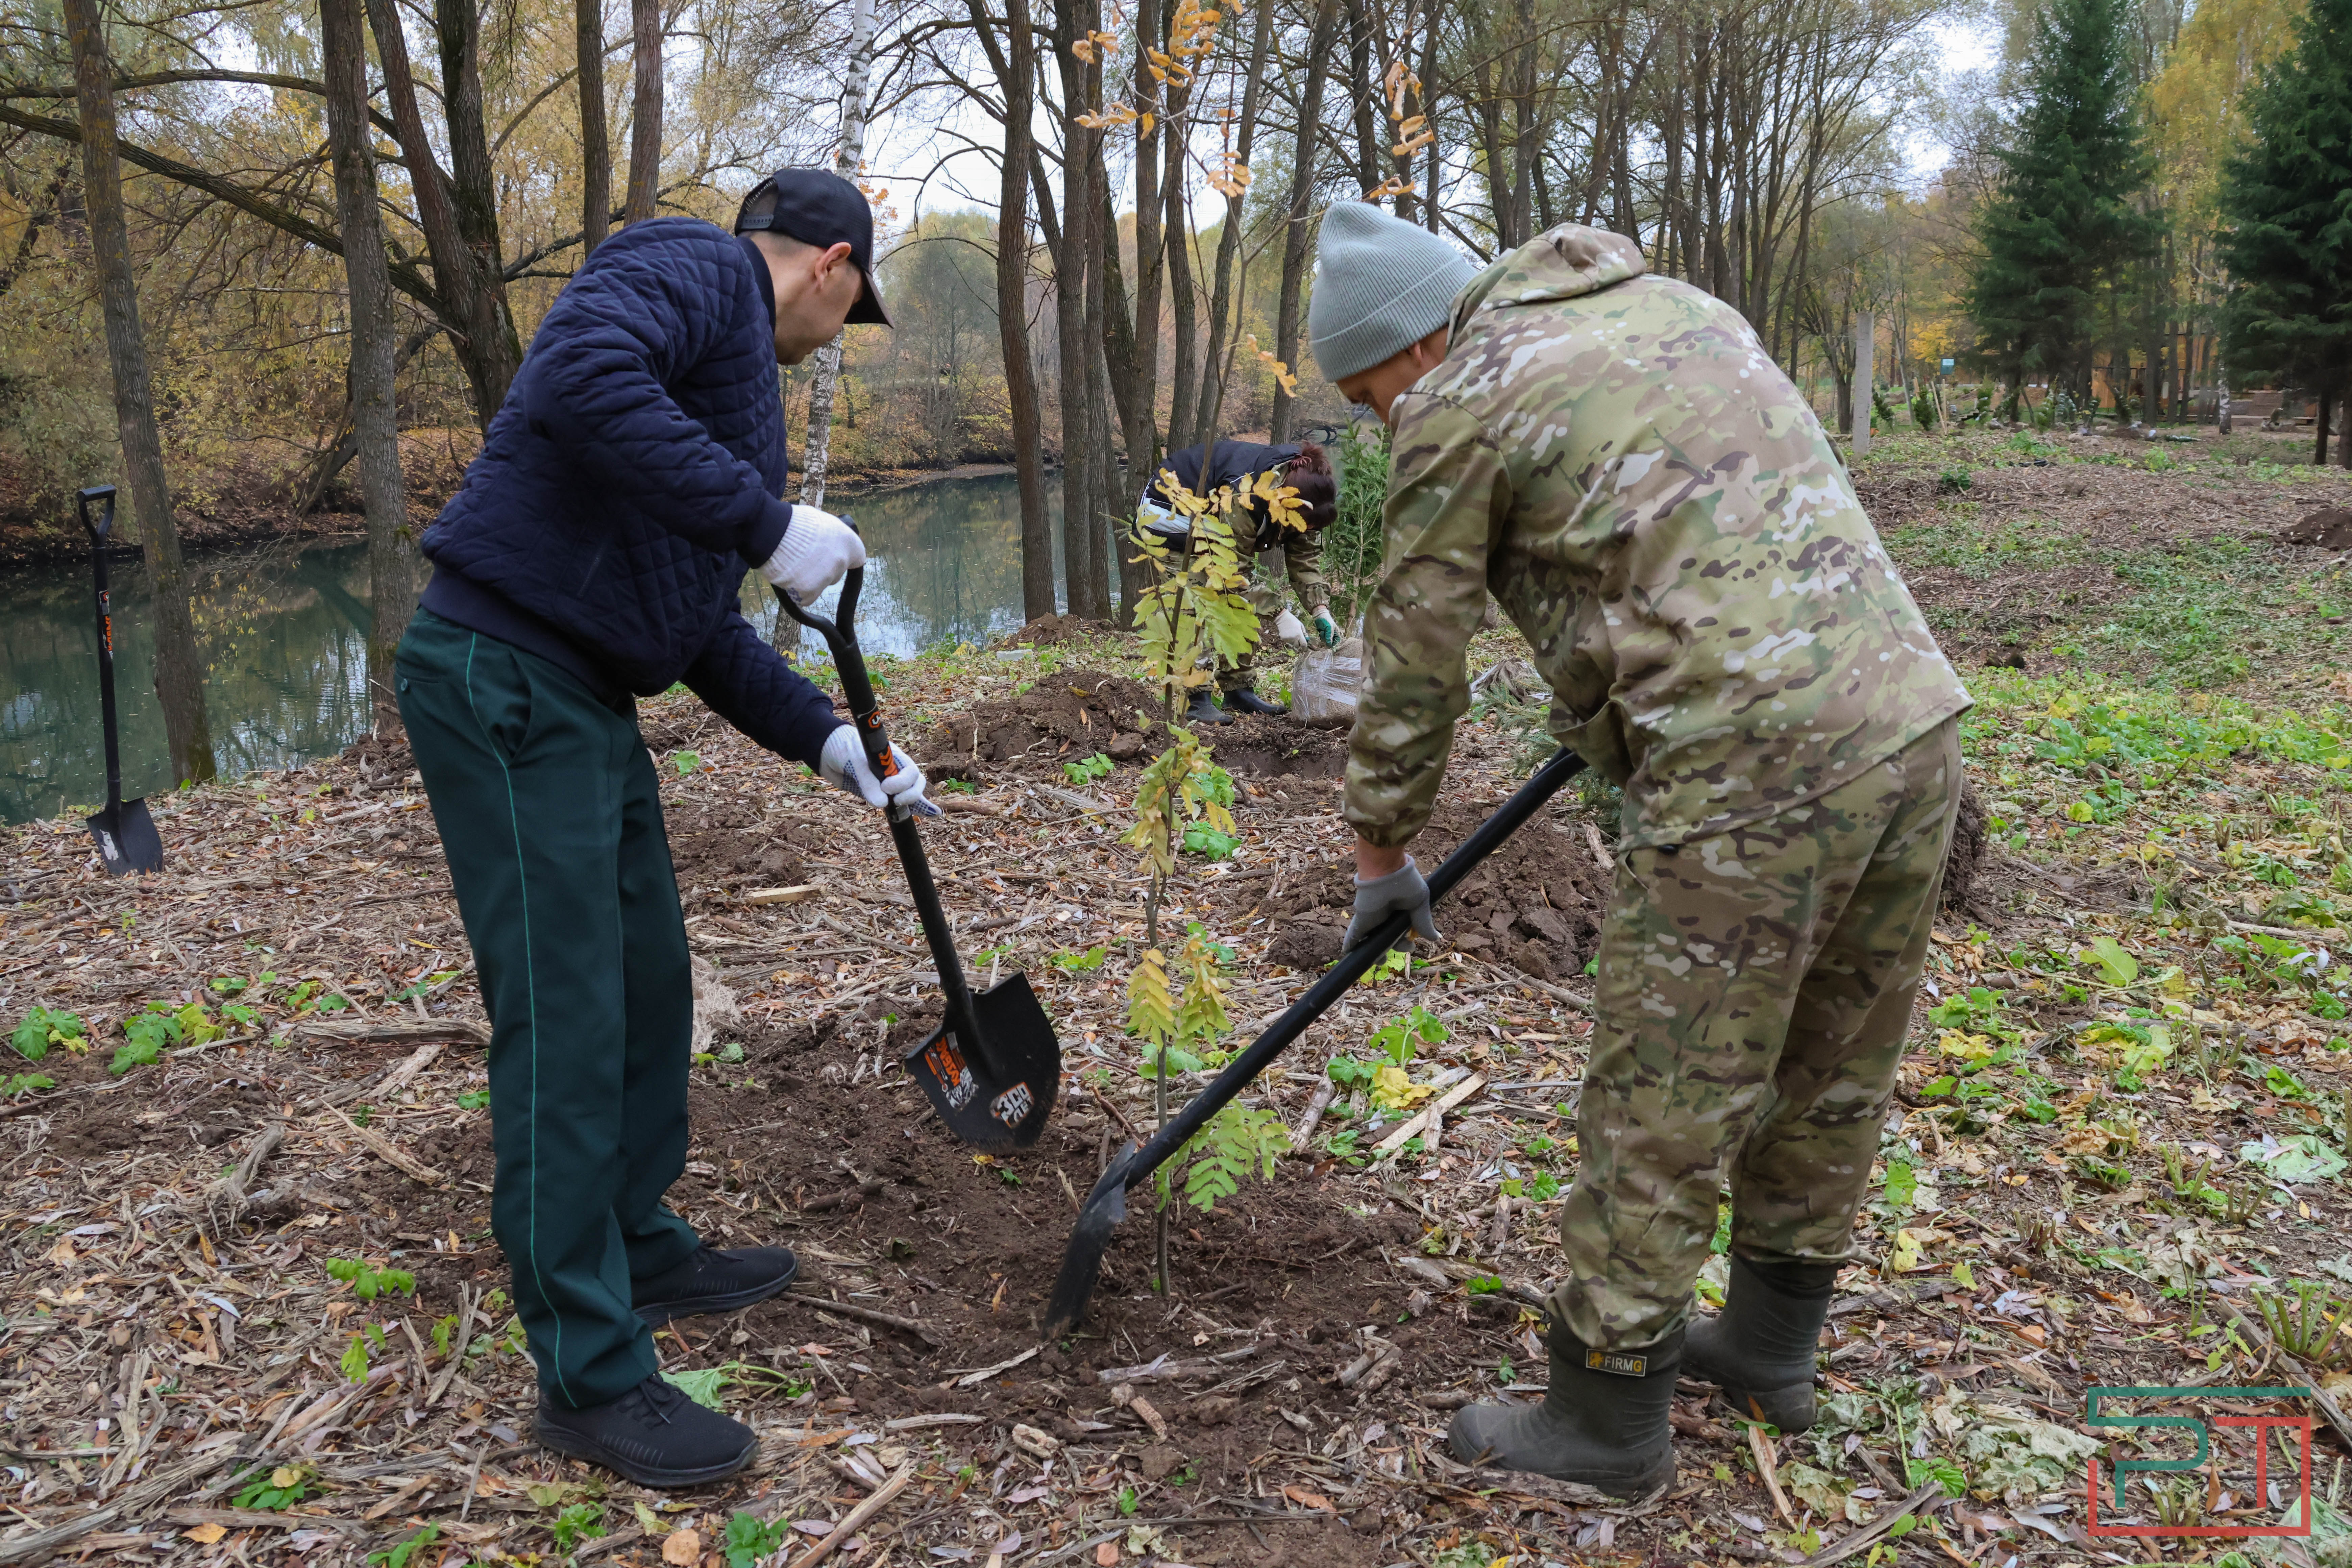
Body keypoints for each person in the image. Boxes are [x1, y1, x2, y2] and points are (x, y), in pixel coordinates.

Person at [1306, 200, 1972, 1498]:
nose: (1380, 421)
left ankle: (1604, 1419)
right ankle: (1772, 1349)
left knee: (1660, 1094)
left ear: (1411, 344)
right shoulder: (1679, 310)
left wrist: (1379, 849)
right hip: (1906, 723)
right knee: (1824, 1062)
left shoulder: (1461, 397)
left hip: (1745, 765)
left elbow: (1412, 661)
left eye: (1368, 393)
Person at [394, 170, 930, 1489]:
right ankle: (589, 1370)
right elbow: (577, 374)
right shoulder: (697, 268)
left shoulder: (726, 385)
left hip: (583, 688)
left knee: (645, 980)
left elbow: (694, 622)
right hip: (504, 672)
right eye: (849, 312)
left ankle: (632, 1238)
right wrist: (767, 521)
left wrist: (830, 737)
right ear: (833, 265)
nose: (833, 342)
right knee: (568, 1014)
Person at [1140, 439, 1340, 722]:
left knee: (1241, 602)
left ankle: (1239, 691)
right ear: (1286, 503)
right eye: (1304, 525)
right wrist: (1281, 615)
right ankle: (1197, 698)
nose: (1305, 531)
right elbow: (1229, 575)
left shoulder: (1307, 500)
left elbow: (1305, 557)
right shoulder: (1244, 493)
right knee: (1196, 598)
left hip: (1214, 524)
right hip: (1171, 517)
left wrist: (1321, 609)